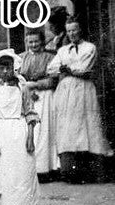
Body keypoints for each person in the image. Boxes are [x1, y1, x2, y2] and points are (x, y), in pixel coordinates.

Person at [48, 18, 113, 183]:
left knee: (86, 125)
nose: (71, 34)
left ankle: (90, 171)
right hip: (66, 90)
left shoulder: (89, 48)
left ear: (80, 30)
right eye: (68, 31)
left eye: (74, 30)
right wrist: (67, 70)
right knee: (68, 127)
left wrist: (67, 69)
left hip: (84, 89)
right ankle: (70, 172)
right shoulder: (63, 50)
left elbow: (84, 69)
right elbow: (52, 68)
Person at [0, 51, 40, 205]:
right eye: (1, 67)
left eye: (7, 67)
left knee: (20, 172)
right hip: (0, 131)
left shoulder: (22, 87)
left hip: (19, 130)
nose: (4, 71)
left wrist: (30, 137)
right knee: (4, 174)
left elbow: (30, 112)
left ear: (14, 68)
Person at [19, 29, 59, 179]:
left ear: (42, 41)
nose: (34, 44)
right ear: (26, 42)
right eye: (30, 42)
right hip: (27, 96)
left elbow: (53, 79)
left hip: (45, 96)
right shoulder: (22, 58)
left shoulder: (50, 57)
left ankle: (45, 168)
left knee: (45, 130)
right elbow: (18, 78)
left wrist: (36, 85)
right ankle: (31, 168)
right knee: (30, 131)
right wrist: (27, 86)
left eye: (36, 41)